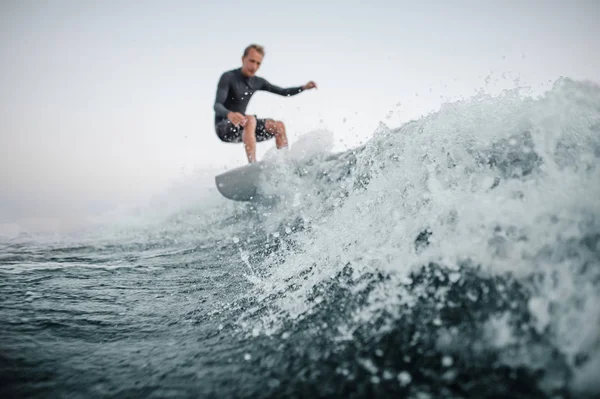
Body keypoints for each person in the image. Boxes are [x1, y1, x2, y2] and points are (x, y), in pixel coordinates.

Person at [213, 44, 317, 163]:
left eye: (258, 63)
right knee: (251, 120)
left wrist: (303, 87)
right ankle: (253, 165)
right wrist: (230, 114)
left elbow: (283, 91)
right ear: (243, 59)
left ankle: (285, 165)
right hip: (223, 127)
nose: (254, 66)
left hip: (244, 127)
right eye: (251, 61)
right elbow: (217, 105)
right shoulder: (228, 77)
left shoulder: (258, 82)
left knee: (279, 126)